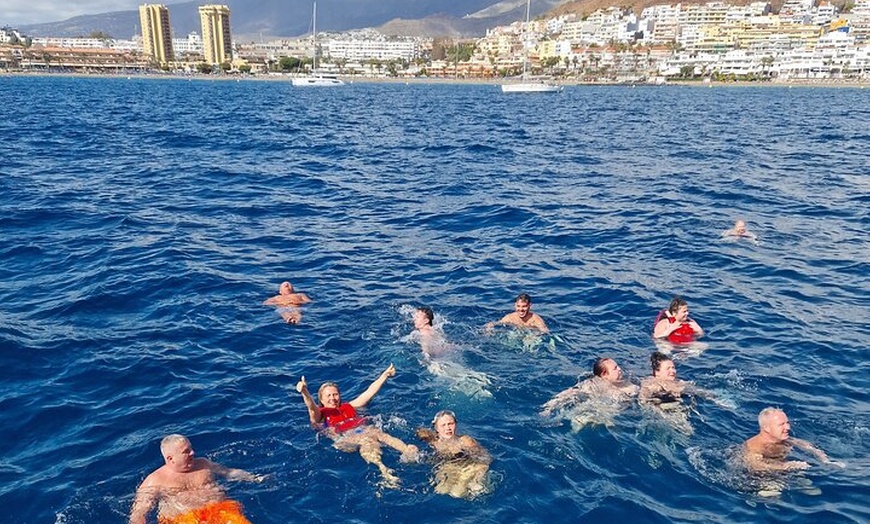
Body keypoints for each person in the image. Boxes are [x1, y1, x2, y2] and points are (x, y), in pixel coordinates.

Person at [295, 364, 419, 487]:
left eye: (335, 394)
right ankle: (384, 471)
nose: (333, 398)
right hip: (344, 440)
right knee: (366, 440)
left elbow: (369, 393)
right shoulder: (320, 415)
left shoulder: (350, 406)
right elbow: (311, 407)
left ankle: (406, 450)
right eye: (328, 396)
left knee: (377, 432)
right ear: (321, 400)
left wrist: (385, 375)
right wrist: (304, 392)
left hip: (361, 431)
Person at [129, 434, 264, 524]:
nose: (193, 453)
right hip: (183, 519)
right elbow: (139, 512)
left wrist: (255, 478)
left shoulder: (203, 464)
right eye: (186, 451)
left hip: (220, 509)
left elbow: (229, 472)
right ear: (170, 458)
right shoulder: (155, 481)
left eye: (191, 448)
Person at [639, 352, 726, 434]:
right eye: (668, 368)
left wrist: (716, 398)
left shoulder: (679, 383)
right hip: (661, 410)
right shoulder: (652, 384)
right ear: (657, 372)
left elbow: (698, 391)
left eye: (673, 367)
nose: (673, 371)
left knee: (688, 431)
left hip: (678, 408)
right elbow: (643, 399)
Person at [416, 410, 491, 499]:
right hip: (450, 466)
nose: (447, 428)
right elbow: (420, 432)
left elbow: (485, 458)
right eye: (443, 425)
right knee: (440, 490)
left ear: (456, 424)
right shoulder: (434, 441)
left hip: (468, 467)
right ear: (437, 428)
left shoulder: (465, 441)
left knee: (457, 493)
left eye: (450, 424)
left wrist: (478, 476)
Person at [742, 407, 834, 473]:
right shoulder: (755, 447)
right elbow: (755, 465)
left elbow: (805, 445)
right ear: (766, 428)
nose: (788, 427)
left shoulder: (781, 439)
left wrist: (825, 460)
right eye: (781, 424)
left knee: (813, 491)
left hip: (782, 470)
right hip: (761, 477)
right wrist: (788, 466)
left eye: (787, 423)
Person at [540, 357, 637, 417]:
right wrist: (549, 407)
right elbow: (569, 393)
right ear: (604, 374)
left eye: (618, 366)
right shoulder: (592, 384)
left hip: (611, 410)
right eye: (615, 368)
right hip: (595, 407)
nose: (620, 369)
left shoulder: (628, 383)